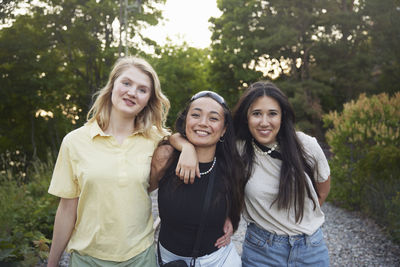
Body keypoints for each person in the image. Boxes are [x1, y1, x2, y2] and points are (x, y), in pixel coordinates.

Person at [171, 81, 331, 266]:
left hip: (311, 248)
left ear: (282, 116)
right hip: (262, 250)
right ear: (246, 117)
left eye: (272, 114)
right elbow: (178, 136)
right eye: (256, 114)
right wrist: (186, 148)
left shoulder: (306, 146)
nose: (264, 122)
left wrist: (300, 221)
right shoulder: (238, 149)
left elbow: (322, 191)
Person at [47, 56, 170, 267]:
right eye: (127, 83)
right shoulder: (75, 142)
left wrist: (186, 148)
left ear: (148, 100)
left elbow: (191, 143)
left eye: (142, 89)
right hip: (87, 259)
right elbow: (67, 209)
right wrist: (52, 263)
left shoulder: (156, 140)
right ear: (112, 86)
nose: (132, 92)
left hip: (140, 257)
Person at [149, 91, 243, 267]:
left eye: (213, 118)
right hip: (170, 261)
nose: (203, 123)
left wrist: (228, 214)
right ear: (185, 122)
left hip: (218, 260)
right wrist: (186, 147)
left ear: (223, 130)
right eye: (195, 115)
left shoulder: (231, 166)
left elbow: (238, 199)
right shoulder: (166, 156)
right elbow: (140, 192)